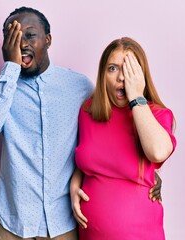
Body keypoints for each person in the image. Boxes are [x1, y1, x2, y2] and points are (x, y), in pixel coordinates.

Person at [0, 6, 163, 240]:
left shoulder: (80, 87)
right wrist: (10, 69)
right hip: (14, 220)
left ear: (48, 40)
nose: (21, 44)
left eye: (29, 35)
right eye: (13, 37)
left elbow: (108, 135)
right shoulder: (0, 88)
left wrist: (147, 173)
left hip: (64, 221)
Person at [70, 37, 177, 239]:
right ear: (103, 74)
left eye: (129, 69)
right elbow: (85, 160)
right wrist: (74, 187)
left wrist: (136, 97)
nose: (121, 77)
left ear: (141, 75)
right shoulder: (88, 112)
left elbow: (157, 152)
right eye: (112, 68)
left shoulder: (157, 115)